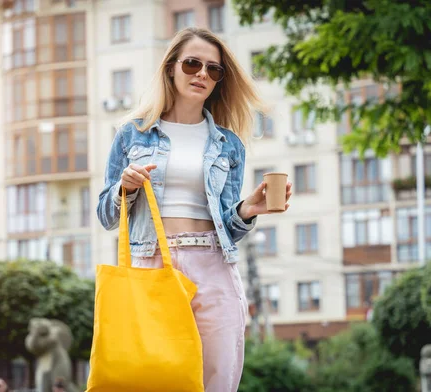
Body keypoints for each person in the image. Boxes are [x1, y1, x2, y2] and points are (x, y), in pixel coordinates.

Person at [97, 27, 292, 391]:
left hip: (214, 266)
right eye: (192, 64)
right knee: (155, 379)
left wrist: (248, 208)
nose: (202, 74)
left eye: (214, 70)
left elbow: (228, 225)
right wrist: (125, 188)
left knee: (218, 379)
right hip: (153, 261)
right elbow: (106, 216)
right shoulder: (131, 133)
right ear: (171, 68)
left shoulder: (229, 144)